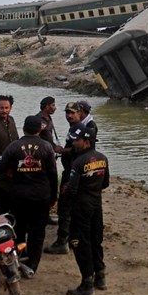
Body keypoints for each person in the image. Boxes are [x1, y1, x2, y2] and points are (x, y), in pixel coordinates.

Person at [0, 114, 58, 277]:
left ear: (24, 128)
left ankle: (20, 259)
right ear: (39, 130)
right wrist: (53, 197)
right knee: (37, 233)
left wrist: (11, 172)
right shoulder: (46, 147)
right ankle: (32, 266)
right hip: (41, 196)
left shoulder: (13, 146)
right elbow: (52, 173)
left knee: (19, 230)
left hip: (19, 196)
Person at [45, 100, 97, 254]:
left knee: (65, 207)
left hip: (75, 173)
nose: (69, 116)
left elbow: (83, 151)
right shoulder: (76, 126)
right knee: (73, 208)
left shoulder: (88, 128)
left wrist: (63, 151)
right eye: (67, 113)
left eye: (73, 113)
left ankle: (62, 242)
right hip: (73, 171)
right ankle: (74, 237)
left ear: (80, 112)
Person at [64, 124, 109, 295]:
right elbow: (105, 183)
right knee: (96, 240)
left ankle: (87, 284)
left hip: (81, 207)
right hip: (96, 205)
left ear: (86, 141)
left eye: (77, 140)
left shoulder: (78, 162)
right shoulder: (102, 158)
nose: (74, 143)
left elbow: (72, 189)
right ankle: (101, 276)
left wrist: (66, 198)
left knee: (79, 243)